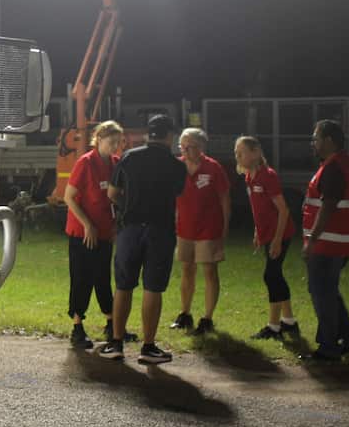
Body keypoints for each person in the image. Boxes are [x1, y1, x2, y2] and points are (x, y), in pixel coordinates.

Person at [102, 114, 187, 363]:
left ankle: (116, 343)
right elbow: (177, 193)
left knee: (123, 286)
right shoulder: (176, 165)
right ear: (169, 135)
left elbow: (112, 193)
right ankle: (148, 348)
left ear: (148, 134)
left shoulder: (129, 157)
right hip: (160, 230)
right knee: (153, 288)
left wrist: (128, 205)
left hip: (130, 229)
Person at [300, 119, 349, 363]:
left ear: (329, 140)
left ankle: (328, 346)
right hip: (343, 240)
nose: (313, 143)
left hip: (328, 242)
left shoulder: (333, 168)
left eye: (316, 138)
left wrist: (312, 239)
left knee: (322, 293)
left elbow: (327, 206)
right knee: (328, 290)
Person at [63, 120, 126, 349]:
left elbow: (115, 197)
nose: (115, 146)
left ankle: (111, 323)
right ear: (98, 139)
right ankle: (77, 327)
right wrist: (87, 225)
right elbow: (69, 197)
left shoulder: (116, 164)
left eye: (118, 142)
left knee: (102, 277)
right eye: (111, 142)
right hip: (82, 233)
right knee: (82, 278)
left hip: (104, 232)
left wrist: (116, 224)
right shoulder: (86, 163)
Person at [234, 136, 300, 340]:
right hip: (268, 234)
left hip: (280, 233)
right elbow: (259, 208)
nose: (238, 156)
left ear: (255, 152)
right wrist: (257, 230)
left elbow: (283, 210)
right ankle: (289, 321)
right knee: (275, 275)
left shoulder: (268, 176)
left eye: (242, 152)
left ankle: (274, 326)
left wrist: (277, 240)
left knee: (270, 275)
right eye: (236, 153)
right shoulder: (249, 176)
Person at [169, 127, 230, 336]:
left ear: (201, 147)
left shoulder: (213, 168)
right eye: (182, 146)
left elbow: (224, 199)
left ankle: (207, 318)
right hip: (185, 228)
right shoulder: (177, 166)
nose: (185, 150)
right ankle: (185, 314)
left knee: (209, 271)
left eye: (190, 147)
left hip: (209, 228)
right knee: (187, 269)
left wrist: (225, 227)